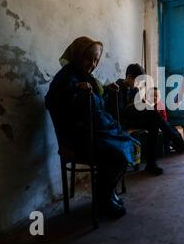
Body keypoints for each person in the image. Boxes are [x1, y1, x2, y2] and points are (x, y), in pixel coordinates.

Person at [45, 36, 140, 219]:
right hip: (77, 138)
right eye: (88, 58)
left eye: (96, 60)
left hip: (93, 132)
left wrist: (105, 89)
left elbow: (96, 104)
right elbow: (54, 101)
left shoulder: (84, 77)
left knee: (129, 142)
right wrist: (75, 90)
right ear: (77, 55)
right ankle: (103, 201)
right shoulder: (66, 77)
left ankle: (108, 193)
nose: (92, 64)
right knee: (117, 153)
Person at [105, 64, 184, 176]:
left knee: (153, 122)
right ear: (128, 77)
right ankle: (178, 142)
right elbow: (118, 113)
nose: (138, 85)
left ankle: (151, 164)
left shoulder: (133, 90)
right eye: (137, 82)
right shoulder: (117, 87)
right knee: (152, 115)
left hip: (132, 120)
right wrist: (136, 105)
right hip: (120, 122)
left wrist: (143, 104)